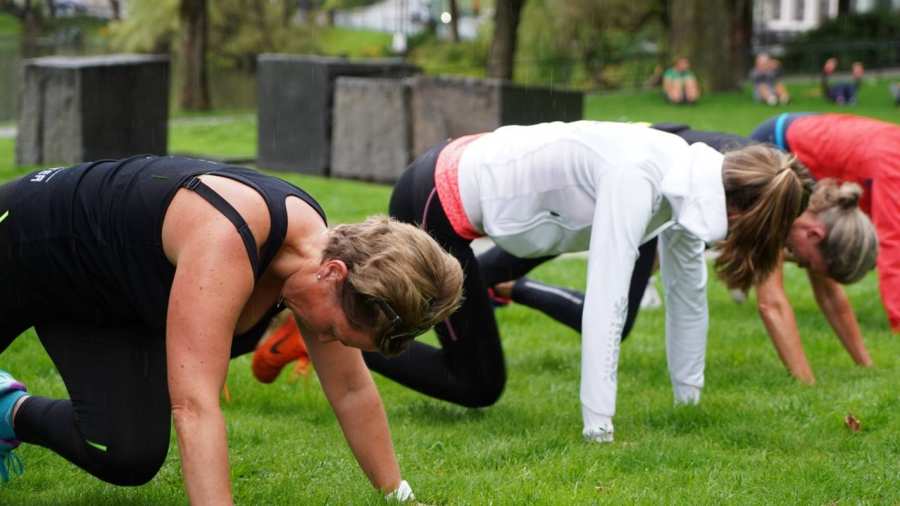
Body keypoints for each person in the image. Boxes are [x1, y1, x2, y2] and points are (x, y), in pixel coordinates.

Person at [0, 155, 464, 503]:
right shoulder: (227, 237)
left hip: (103, 297)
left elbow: (350, 390)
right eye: (336, 332)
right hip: (22, 240)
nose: (328, 342)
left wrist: (399, 495)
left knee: (128, 452)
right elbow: (195, 406)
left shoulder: (319, 261)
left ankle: (6, 409)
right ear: (334, 274)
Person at [357, 121, 812, 444]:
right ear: (737, 211)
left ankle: (345, 327)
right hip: (435, 195)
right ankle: (345, 335)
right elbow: (606, 304)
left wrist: (688, 400)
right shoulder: (638, 176)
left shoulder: (690, 173)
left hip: (464, 176)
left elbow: (687, 291)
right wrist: (600, 427)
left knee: (476, 370)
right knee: (477, 384)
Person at [751, 112, 898, 338]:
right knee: (800, 253)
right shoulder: (893, 168)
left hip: (805, 136)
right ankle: (744, 258)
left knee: (816, 252)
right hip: (778, 145)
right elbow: (892, 243)